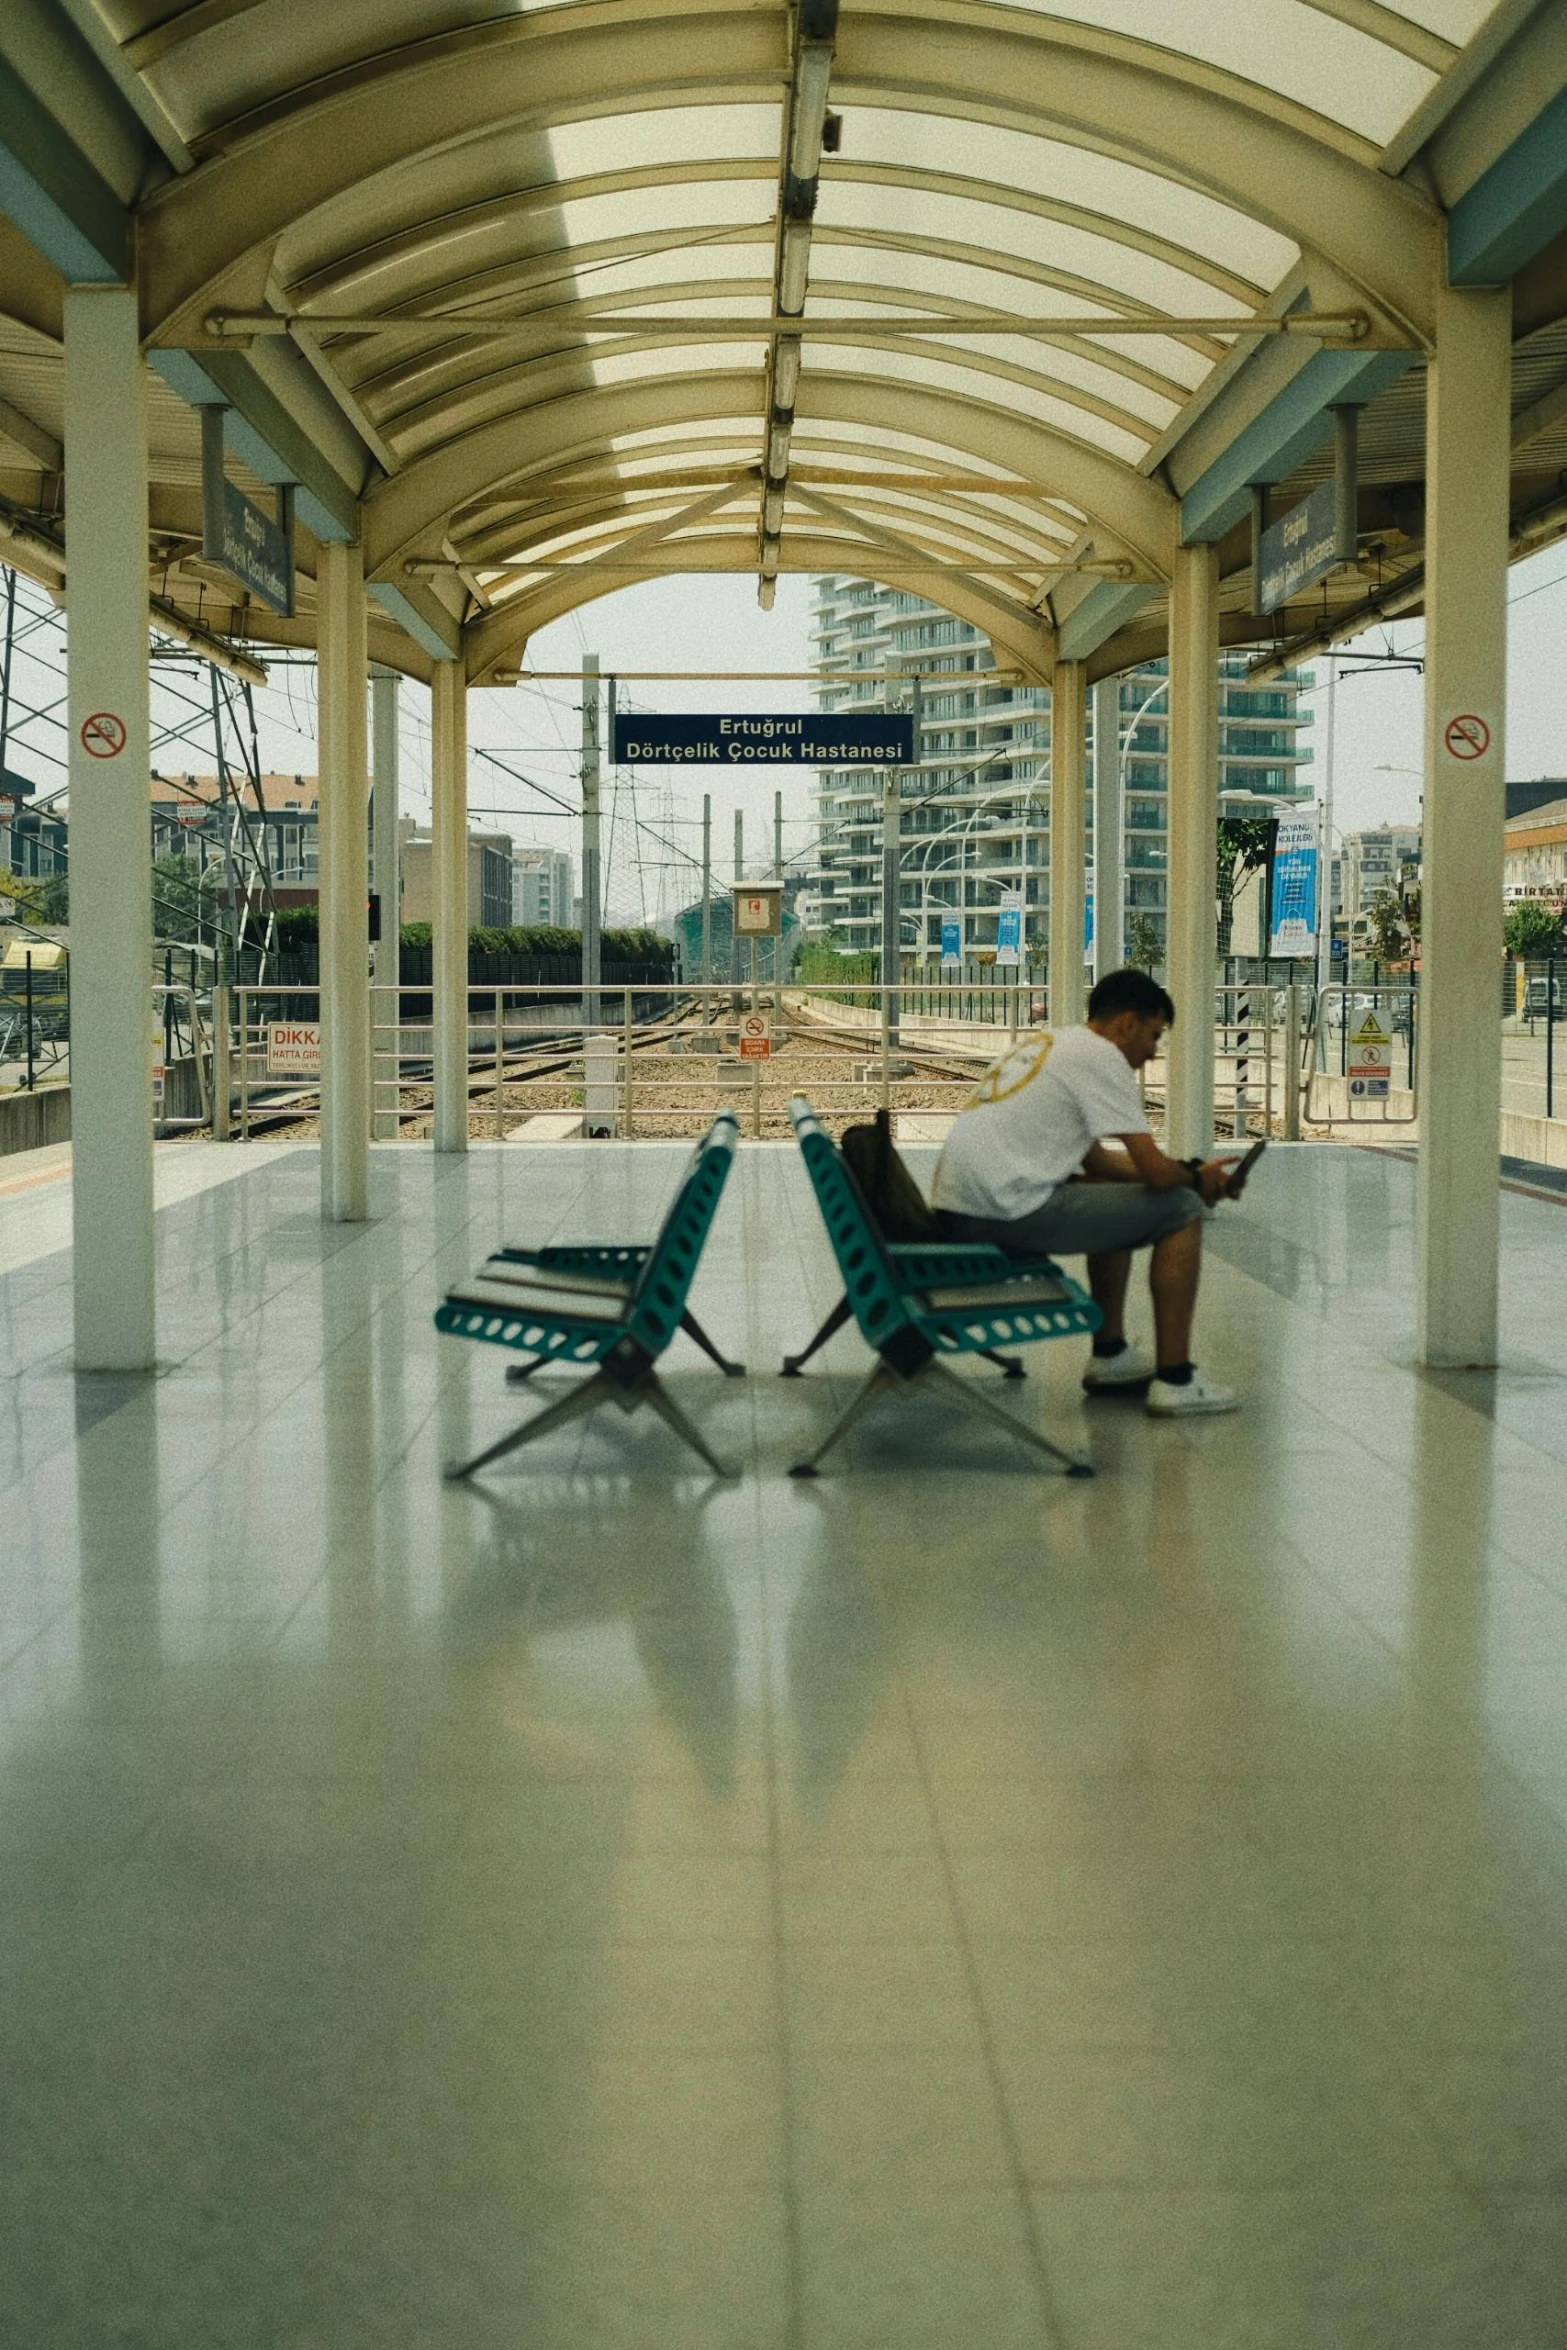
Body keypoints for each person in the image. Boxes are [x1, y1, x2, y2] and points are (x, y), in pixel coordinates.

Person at [930, 967, 1241, 1416]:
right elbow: (1155, 1173)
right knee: (1183, 1208)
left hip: (964, 1209)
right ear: (1127, 1023)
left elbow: (1099, 1162)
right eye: (1154, 1036)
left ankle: (1110, 1354)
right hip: (1001, 1213)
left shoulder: (1056, 1044)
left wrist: (1191, 1170)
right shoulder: (1102, 1057)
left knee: (1108, 1185)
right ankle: (1176, 1379)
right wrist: (1195, 1182)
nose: (1152, 1053)